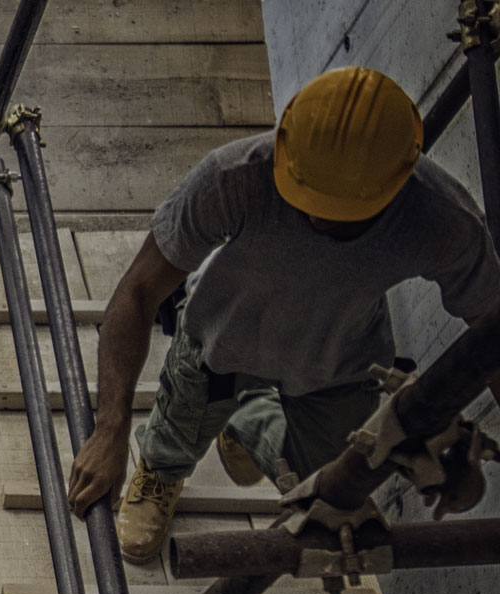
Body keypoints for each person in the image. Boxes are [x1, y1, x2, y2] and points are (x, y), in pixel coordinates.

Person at [66, 65, 500, 562]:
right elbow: (139, 290)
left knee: (327, 484)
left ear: (396, 183)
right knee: (176, 432)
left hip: (336, 363)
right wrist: (110, 429)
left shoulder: (440, 221)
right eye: (303, 189)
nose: (312, 214)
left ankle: (249, 421)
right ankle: (162, 472)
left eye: (334, 209)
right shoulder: (234, 177)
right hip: (220, 341)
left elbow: (493, 335)